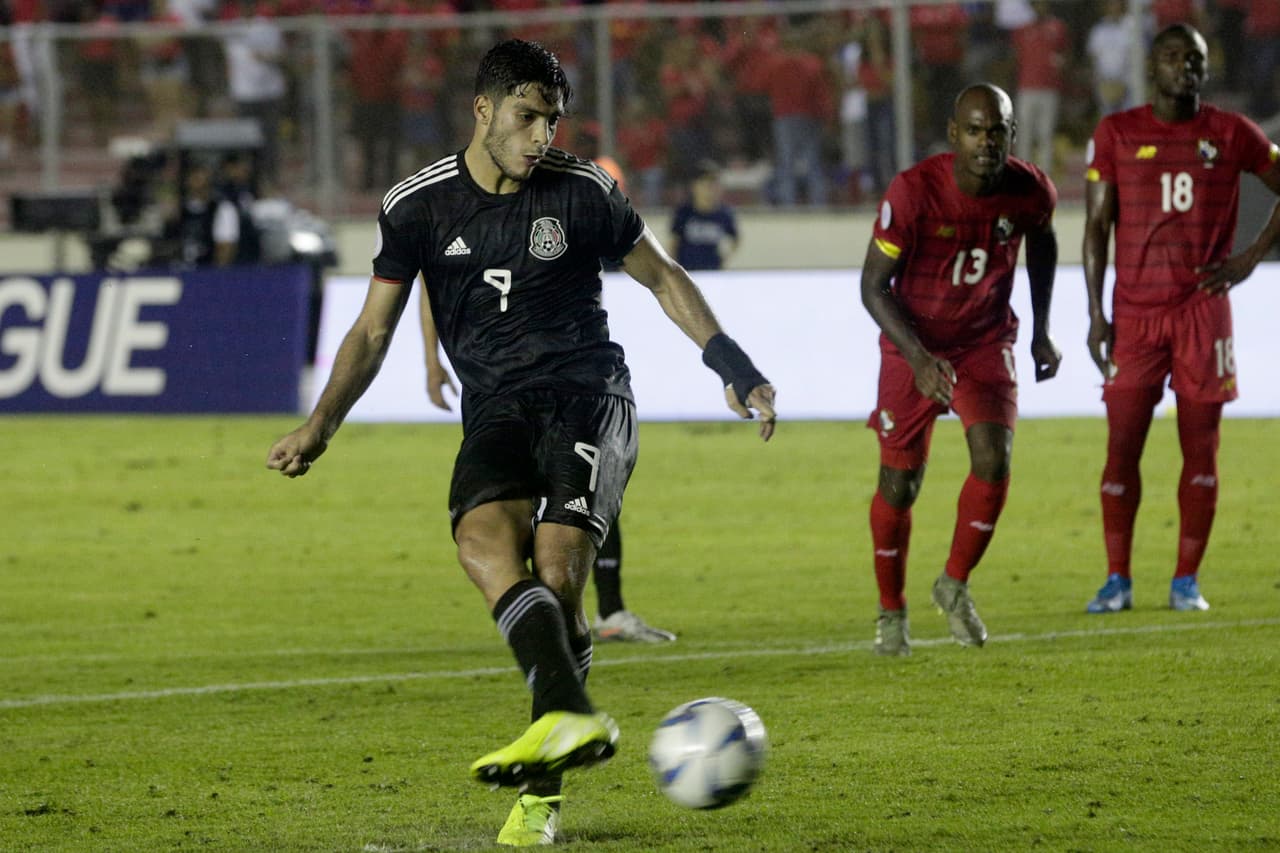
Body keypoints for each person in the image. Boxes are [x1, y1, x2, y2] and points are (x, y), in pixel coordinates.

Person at [267, 39, 776, 846]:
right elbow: (371, 331)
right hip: (496, 408)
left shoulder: (582, 191)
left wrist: (734, 364)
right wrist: (320, 424)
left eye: (552, 120)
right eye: (527, 116)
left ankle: (541, 798)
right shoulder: (416, 205)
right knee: (478, 539)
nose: (542, 135)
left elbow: (662, 275)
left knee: (558, 570)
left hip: (588, 396)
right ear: (483, 110)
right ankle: (570, 714)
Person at [1081, 23, 1280, 615]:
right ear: (1152, 67)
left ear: (1205, 68)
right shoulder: (1117, 132)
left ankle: (1186, 580)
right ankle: (1118, 578)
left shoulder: (1230, 132)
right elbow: (1095, 228)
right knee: (1122, 449)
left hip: (1202, 313)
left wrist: (1248, 259)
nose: (1183, 67)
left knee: (1202, 448)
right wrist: (1095, 315)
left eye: (1193, 58)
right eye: (1171, 57)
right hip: (1135, 315)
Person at [861, 83, 1060, 656]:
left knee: (994, 459)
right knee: (900, 485)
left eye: (997, 130)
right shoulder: (914, 192)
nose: (985, 142)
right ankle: (891, 612)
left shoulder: (1030, 191)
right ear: (954, 135)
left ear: (1011, 135)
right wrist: (920, 359)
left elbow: (1043, 245)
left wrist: (1042, 328)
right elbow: (872, 287)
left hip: (983, 339)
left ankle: (953, 583)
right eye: (974, 130)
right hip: (911, 344)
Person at [418, 292, 678, 645]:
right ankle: (547, 620)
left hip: (567, 378)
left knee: (584, 494)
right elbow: (430, 286)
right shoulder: (443, 241)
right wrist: (432, 361)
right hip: (500, 389)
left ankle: (602, 612)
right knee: (515, 514)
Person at [669, 160, 739, 272]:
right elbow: (674, 243)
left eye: (714, 185)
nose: (710, 190)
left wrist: (724, 260)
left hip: (712, 272)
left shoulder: (724, 214)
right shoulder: (684, 213)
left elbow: (735, 239)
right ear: (694, 187)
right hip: (687, 271)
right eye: (706, 185)